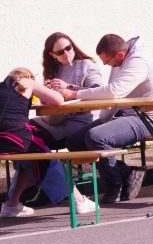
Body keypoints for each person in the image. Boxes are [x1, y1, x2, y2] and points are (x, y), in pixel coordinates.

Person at [64, 34, 153, 204]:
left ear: (119, 54)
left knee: (96, 137)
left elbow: (114, 91)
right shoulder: (121, 60)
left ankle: (114, 185)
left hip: (149, 118)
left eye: (107, 61)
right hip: (127, 114)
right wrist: (72, 89)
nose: (106, 65)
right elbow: (112, 93)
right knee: (75, 141)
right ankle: (127, 172)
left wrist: (74, 94)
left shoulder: (138, 61)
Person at [1, 68, 95, 218]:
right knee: (49, 159)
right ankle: (79, 201)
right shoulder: (25, 82)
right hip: (16, 136)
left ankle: (11, 205)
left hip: (3, 140)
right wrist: (46, 89)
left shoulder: (3, 88)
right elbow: (58, 100)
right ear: (28, 77)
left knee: (29, 160)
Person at [32, 32, 103, 149]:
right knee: (20, 128)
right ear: (52, 55)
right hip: (55, 120)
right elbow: (52, 103)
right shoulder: (53, 70)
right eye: (60, 52)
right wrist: (46, 94)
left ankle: (48, 162)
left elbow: (98, 92)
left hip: (80, 123)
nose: (66, 54)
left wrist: (69, 87)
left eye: (68, 48)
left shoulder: (85, 65)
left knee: (29, 137)